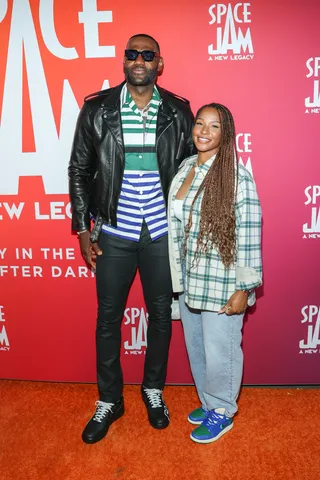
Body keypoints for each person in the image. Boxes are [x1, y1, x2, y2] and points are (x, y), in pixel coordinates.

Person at [68, 33, 194, 444]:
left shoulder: (178, 111)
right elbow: (79, 170)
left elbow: (192, 173)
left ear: (159, 63)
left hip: (160, 234)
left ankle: (153, 391)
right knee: (108, 317)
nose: (138, 60)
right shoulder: (97, 109)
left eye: (147, 54)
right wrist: (83, 229)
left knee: (161, 315)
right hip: (115, 232)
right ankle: (109, 399)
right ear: (124, 61)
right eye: (131, 54)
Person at [167, 103, 262, 443]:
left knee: (221, 349)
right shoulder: (186, 166)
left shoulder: (237, 176)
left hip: (222, 284)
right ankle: (209, 401)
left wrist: (245, 288)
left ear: (227, 134)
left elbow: (250, 233)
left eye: (215, 126)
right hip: (190, 282)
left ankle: (222, 410)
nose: (204, 131)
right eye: (199, 123)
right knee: (197, 347)